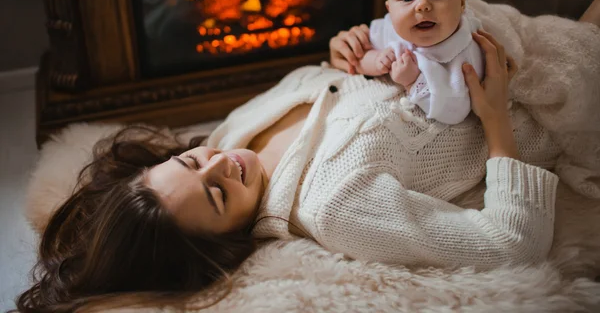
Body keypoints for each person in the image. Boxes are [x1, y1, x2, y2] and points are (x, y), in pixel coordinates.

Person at [16, 29, 563, 312]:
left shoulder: (233, 131)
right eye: (216, 197)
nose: (220, 165)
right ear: (223, 245)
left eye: (190, 160)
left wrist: (351, 55)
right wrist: (494, 118)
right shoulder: (335, 204)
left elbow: (328, 83)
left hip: (467, 32)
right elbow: (511, 244)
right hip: (548, 95)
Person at [355, 0, 484, 125]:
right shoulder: (392, 27)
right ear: (390, 9)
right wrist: (377, 60)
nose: (422, 5)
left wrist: (413, 80)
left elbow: (454, 110)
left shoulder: (464, 52)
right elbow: (359, 56)